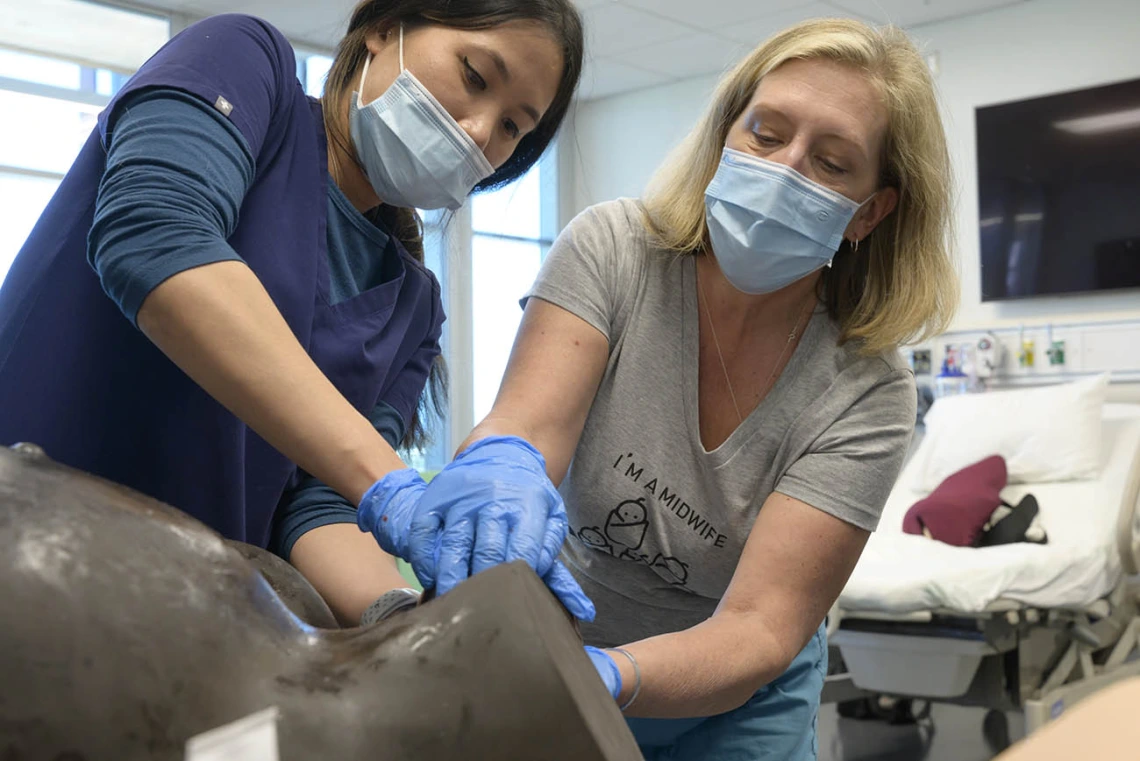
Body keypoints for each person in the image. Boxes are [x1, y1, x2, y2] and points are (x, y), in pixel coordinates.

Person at [412, 16, 958, 760]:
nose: (785, 169)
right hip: (556, 641)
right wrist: (500, 465)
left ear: (869, 210)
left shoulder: (866, 389)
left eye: (830, 162)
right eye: (766, 133)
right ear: (725, 134)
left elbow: (760, 626)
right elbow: (528, 432)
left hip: (734, 700)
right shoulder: (615, 251)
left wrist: (605, 674)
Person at [0, 0, 590, 627]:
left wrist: (405, 622)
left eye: (511, 129)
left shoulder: (413, 310)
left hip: (171, 625)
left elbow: (319, 506)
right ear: (385, 28)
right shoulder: (245, 64)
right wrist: (391, 482)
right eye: (475, 76)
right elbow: (155, 237)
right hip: (24, 546)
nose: (478, 132)